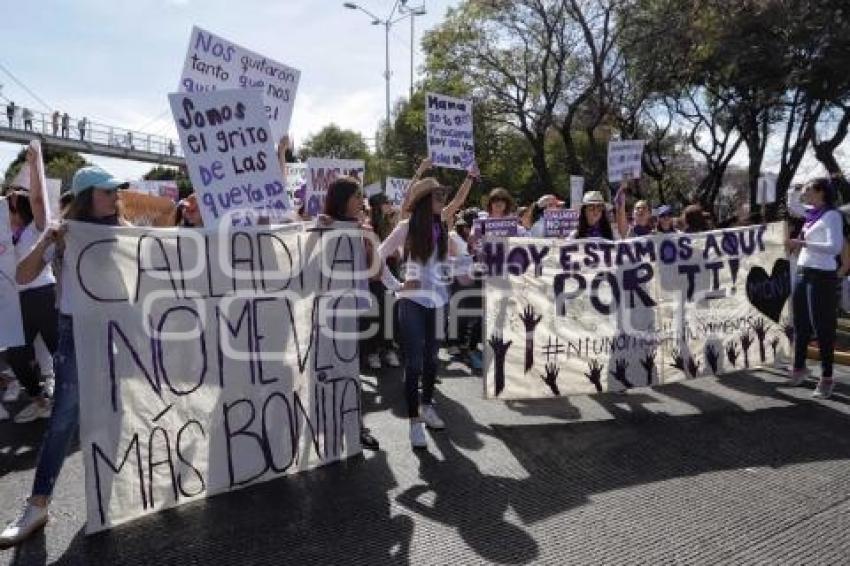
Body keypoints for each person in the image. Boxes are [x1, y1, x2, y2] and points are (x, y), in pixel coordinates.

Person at [0, 165, 129, 547]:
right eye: (107, 191)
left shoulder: (125, 231)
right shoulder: (65, 235)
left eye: (115, 190)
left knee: (116, 410)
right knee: (64, 418)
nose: (115, 196)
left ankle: (110, 495)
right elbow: (23, 276)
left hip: (117, 330)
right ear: (89, 196)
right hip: (77, 332)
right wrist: (48, 240)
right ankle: (38, 504)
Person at [378, 172, 474, 450]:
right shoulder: (407, 227)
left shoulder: (444, 227)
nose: (443, 200)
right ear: (423, 200)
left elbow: (454, 265)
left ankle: (427, 405)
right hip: (412, 304)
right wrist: (397, 286)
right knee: (415, 364)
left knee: (433, 361)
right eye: (438, 195)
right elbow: (379, 254)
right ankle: (414, 422)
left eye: (444, 195)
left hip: (438, 302)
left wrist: (469, 263)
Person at [4, 147, 58, 424]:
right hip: (18, 301)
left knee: (60, 350)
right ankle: (40, 400)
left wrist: (36, 164)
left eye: (10, 205)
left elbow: (38, 199)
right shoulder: (6, 236)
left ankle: (78, 397)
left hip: (44, 296)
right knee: (15, 354)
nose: (6, 209)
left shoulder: (36, 229)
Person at [786, 178, 844, 398]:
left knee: (822, 327)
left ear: (821, 193)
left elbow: (835, 247)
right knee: (801, 324)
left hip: (822, 275)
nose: (806, 193)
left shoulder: (832, 216)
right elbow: (793, 205)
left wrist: (801, 243)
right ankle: (799, 369)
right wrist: (796, 189)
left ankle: (827, 378)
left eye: (809, 190)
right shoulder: (811, 213)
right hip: (803, 272)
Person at [363, 192, 401, 370]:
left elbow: (396, 253)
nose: (391, 205)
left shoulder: (391, 225)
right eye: (388, 202)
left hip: (390, 273)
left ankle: (388, 349)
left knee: (389, 314)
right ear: (379, 205)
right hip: (374, 276)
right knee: (374, 314)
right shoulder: (368, 226)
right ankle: (372, 352)